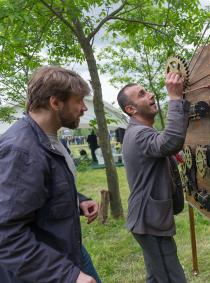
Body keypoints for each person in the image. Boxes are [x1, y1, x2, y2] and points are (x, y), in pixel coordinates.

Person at [0, 66, 101, 283]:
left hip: (66, 249)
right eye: (79, 101)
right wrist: (68, 276)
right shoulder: (21, 151)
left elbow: (42, 187)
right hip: (45, 268)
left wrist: (78, 200)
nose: (84, 108)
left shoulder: (49, 139)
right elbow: (6, 235)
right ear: (55, 103)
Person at [117, 72, 189, 283]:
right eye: (142, 94)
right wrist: (175, 99)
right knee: (171, 277)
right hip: (149, 223)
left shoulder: (140, 131)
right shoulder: (139, 134)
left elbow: (167, 146)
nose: (150, 95)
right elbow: (170, 142)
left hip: (147, 221)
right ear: (131, 109)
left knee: (156, 277)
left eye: (147, 90)